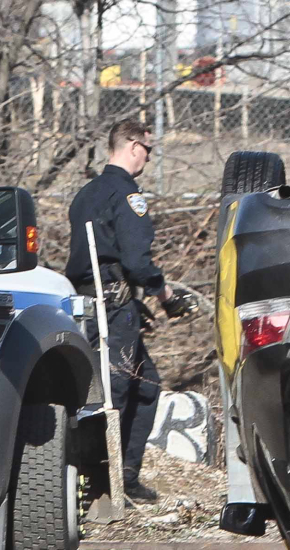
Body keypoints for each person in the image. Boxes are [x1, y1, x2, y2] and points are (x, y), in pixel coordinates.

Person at [65, 119, 196, 499]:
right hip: (113, 307)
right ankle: (108, 482)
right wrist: (164, 293)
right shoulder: (128, 196)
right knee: (118, 391)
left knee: (137, 387)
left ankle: (119, 474)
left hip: (87, 303)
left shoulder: (86, 193)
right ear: (134, 146)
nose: (149, 159)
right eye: (149, 151)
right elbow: (137, 261)